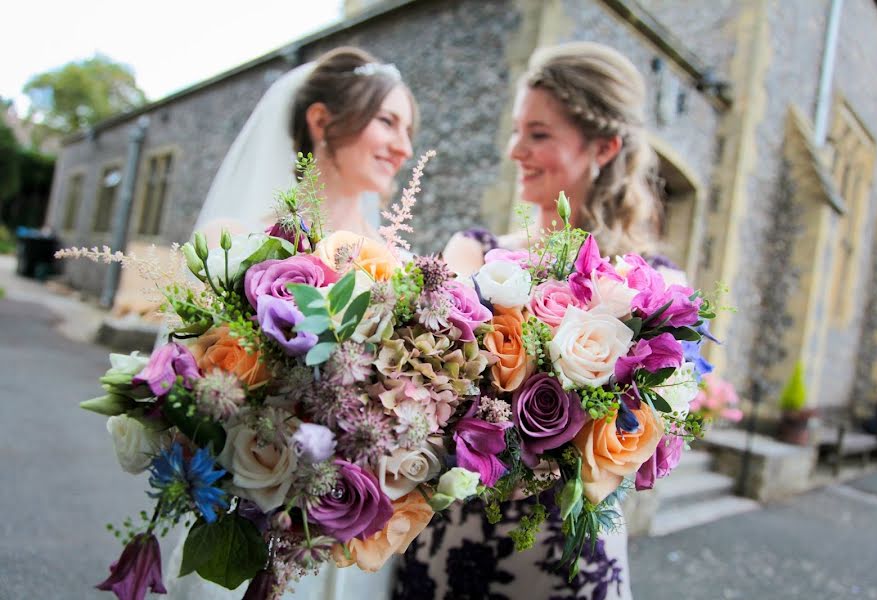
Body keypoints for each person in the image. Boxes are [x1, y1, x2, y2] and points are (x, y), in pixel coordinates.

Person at [393, 42, 664, 600]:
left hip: (566, 561)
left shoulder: (654, 288)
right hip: (453, 541)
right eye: (517, 130)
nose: (516, 150)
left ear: (605, 147)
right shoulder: (473, 253)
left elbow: (649, 441)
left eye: (539, 134)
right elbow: (423, 382)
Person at [164, 46, 416, 600]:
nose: (404, 147)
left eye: (409, 129)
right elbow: (178, 389)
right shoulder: (234, 247)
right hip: (248, 517)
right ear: (322, 120)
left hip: (343, 528)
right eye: (388, 122)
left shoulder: (401, 272)